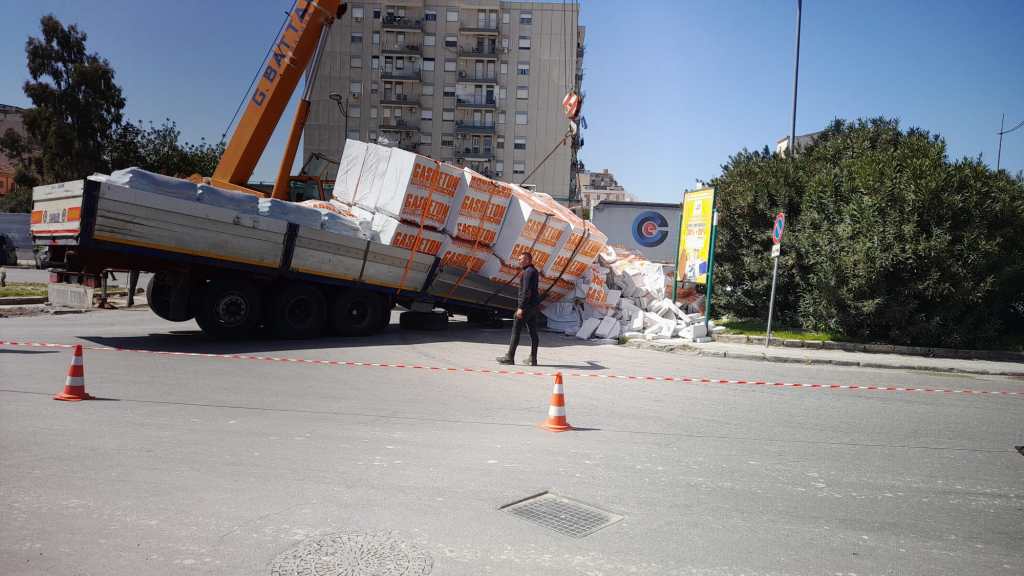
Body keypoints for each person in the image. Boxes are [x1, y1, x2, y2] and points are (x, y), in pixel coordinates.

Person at [497, 251, 540, 366]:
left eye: (521, 259)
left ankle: (509, 357)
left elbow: (526, 291)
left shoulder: (527, 272)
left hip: (526, 307)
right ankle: (533, 358)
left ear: (527, 260)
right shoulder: (534, 271)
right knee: (533, 333)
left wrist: (521, 308)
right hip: (533, 307)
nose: (519, 261)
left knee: (515, 331)